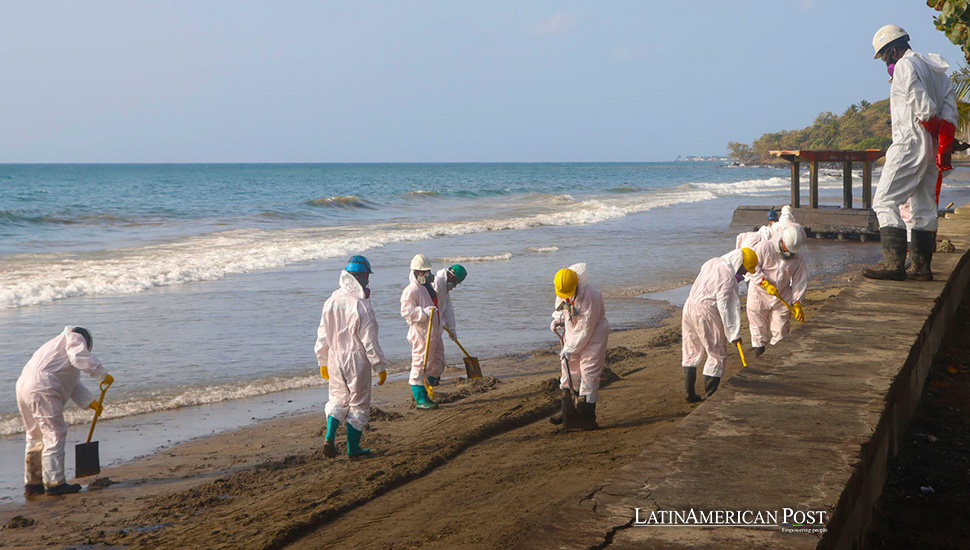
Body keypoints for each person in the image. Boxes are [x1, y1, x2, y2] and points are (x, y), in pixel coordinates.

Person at [865, 24, 957, 281]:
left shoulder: (905, 66)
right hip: (931, 146)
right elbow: (950, 112)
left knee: (884, 200)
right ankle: (922, 268)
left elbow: (923, 108)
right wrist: (942, 142)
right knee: (923, 206)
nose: (885, 63)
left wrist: (931, 130)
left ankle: (894, 266)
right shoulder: (939, 71)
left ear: (894, 51)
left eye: (884, 57)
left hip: (909, 142)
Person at [16, 326, 114, 496]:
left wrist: (91, 402)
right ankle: (55, 483)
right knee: (55, 433)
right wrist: (102, 374)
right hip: (43, 387)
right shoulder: (74, 337)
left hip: (23, 386)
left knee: (34, 435)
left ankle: (33, 482)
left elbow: (72, 384)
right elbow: (78, 357)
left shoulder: (53, 347)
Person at [315, 255, 388, 458]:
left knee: (337, 398)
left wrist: (322, 360)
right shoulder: (362, 306)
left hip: (334, 356)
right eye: (366, 277)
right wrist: (380, 366)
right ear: (362, 277)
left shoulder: (330, 301)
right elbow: (369, 342)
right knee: (358, 402)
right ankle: (353, 448)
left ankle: (329, 436)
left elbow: (322, 335)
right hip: (356, 359)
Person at [682, 248, 758, 401]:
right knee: (717, 353)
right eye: (743, 271)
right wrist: (734, 334)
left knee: (691, 350)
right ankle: (710, 395)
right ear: (739, 263)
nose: (743, 275)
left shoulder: (712, 261)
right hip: (706, 311)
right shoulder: (728, 277)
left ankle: (689, 394)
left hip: (689, 307)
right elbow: (726, 307)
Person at [548, 263, 610, 430]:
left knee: (588, 372)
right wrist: (558, 320)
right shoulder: (563, 288)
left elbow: (585, 329)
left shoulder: (591, 296)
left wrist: (569, 348)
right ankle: (568, 411)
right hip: (573, 331)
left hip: (594, 334)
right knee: (569, 369)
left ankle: (587, 417)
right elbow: (564, 311)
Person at [747, 226, 808, 357]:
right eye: (788, 250)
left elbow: (799, 280)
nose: (790, 254)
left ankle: (775, 359)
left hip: (782, 294)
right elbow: (752, 267)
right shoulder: (764, 247)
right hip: (759, 293)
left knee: (781, 331)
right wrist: (764, 282)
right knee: (758, 329)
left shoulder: (798, 258)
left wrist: (797, 302)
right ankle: (760, 359)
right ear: (782, 242)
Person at [400, 253, 443, 409]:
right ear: (415, 272)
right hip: (421, 333)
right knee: (420, 364)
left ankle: (426, 391)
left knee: (436, 362)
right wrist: (424, 312)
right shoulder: (411, 290)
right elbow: (406, 311)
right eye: (423, 272)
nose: (426, 275)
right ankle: (419, 399)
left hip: (433, 332)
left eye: (427, 271)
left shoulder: (427, 288)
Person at [433, 263, 468, 348]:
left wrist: (452, 329)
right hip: (428, 326)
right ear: (452, 276)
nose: (455, 286)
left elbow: (448, 309)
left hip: (436, 327)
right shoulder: (438, 283)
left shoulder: (445, 288)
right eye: (455, 282)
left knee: (438, 355)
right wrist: (441, 321)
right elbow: (431, 305)